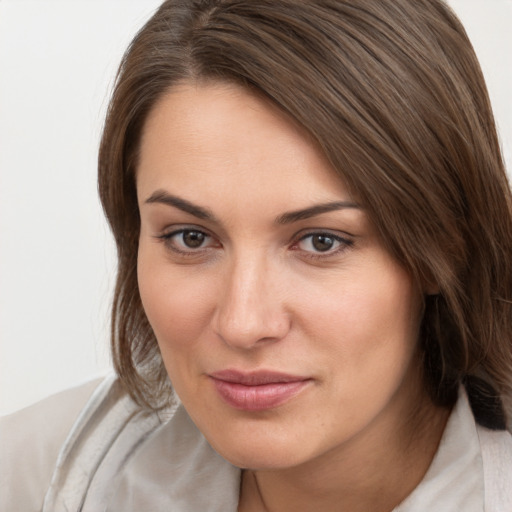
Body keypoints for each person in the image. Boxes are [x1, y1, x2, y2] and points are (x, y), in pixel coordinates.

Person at [1, 0, 512, 510]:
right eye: (190, 237)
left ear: (446, 243)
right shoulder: (32, 480)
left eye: (321, 241)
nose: (243, 324)